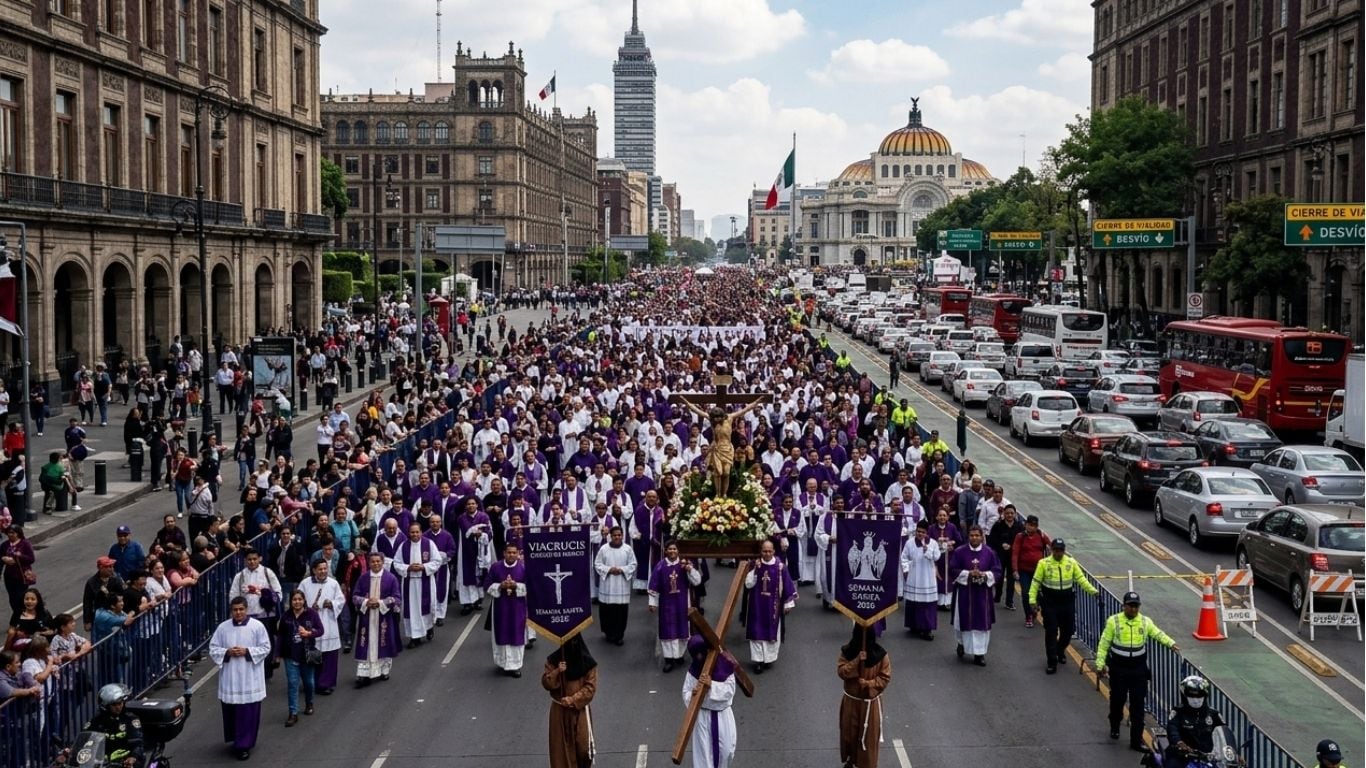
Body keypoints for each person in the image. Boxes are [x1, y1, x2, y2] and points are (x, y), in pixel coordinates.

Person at [1096, 591, 1178, 750]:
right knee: (1117, 701)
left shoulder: (1145, 622)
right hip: (1119, 669)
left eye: (1136, 606)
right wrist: (1100, 664)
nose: (1133, 609)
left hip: (1138, 670)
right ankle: (1115, 724)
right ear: (1124, 606)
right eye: (1130, 606)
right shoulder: (1114, 622)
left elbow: (1157, 633)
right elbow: (1104, 643)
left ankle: (1136, 741)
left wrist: (1171, 643)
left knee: (1138, 706)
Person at [208, 596, 272, 761]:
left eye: (241, 609)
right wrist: (227, 652)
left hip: (250, 676)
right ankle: (236, 740)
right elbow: (213, 648)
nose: (238, 613)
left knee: (248, 712)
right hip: (230, 678)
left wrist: (247, 652)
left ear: (246, 609)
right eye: (235, 610)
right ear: (231, 611)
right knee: (232, 711)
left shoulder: (257, 626)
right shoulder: (223, 628)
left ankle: (245, 745)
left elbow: (266, 647)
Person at [1028, 538, 1098, 674]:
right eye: (1056, 550)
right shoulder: (1043, 563)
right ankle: (1051, 661)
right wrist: (1032, 600)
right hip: (1050, 603)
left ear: (1064, 551)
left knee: (1068, 631)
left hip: (1067, 602)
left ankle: (1060, 650)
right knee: (1051, 632)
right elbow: (1035, 582)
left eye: (1061, 550)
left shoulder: (1071, 562)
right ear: (1051, 550)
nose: (1058, 553)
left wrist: (1094, 592)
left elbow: (1081, 579)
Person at [837, 624, 891, 768]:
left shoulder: (881, 655)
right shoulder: (847, 652)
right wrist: (856, 661)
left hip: (869, 704)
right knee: (849, 734)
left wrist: (868, 684)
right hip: (851, 701)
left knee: (868, 738)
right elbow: (842, 672)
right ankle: (850, 760)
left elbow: (884, 678)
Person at [682, 634, 737, 768]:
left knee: (726, 752)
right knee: (703, 757)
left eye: (702, 653)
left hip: (722, 715)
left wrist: (711, 684)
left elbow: (730, 690)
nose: (699, 658)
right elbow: (686, 692)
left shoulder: (725, 665)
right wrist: (693, 695)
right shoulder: (693, 671)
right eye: (696, 655)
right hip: (702, 717)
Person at [948, 525, 1001, 666]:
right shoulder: (960, 552)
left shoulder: (989, 553)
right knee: (963, 620)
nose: (974, 538)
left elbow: (997, 571)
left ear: (982, 536)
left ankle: (980, 654)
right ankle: (961, 643)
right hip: (965, 592)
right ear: (968, 536)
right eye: (972, 535)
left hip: (983, 594)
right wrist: (968, 574)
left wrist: (985, 575)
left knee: (981, 624)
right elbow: (952, 569)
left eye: (977, 535)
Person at [543, 634, 598, 768]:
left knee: (583, 748)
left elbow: (590, 688)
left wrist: (573, 700)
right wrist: (557, 671)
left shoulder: (588, 663)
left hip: (580, 711)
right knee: (560, 753)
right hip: (559, 712)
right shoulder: (553, 661)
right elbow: (546, 683)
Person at [742, 540, 797, 673]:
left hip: (773, 607)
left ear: (773, 551)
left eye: (769, 551)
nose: (766, 553)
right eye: (764, 551)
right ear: (761, 552)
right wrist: (755, 570)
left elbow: (788, 586)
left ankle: (768, 659)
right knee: (756, 632)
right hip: (757, 605)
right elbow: (748, 584)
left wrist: (788, 604)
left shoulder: (780, 567)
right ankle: (758, 661)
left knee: (770, 634)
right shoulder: (755, 565)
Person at [648, 541, 702, 672]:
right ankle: (669, 659)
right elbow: (653, 585)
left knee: (682, 629)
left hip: (682, 602)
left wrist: (690, 570)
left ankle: (679, 655)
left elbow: (697, 581)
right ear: (665, 551)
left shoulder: (684, 565)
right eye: (669, 549)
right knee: (668, 631)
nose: (672, 551)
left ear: (678, 551)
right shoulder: (660, 566)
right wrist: (652, 602)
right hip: (666, 604)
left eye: (674, 549)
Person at [352, 551, 402, 688]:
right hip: (367, 617)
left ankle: (384, 670)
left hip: (384, 617)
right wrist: (366, 602)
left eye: (378, 561)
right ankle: (364, 674)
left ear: (382, 562)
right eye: (373, 561)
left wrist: (380, 603)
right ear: (369, 563)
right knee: (366, 644)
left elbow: (397, 598)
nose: (376, 564)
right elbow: (355, 596)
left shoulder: (391, 578)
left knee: (383, 642)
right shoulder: (363, 578)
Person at [276, 590, 324, 727]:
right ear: (290, 602)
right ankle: (293, 713)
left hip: (307, 655)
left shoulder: (311, 614)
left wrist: (309, 633)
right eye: (294, 600)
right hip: (290, 655)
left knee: (309, 682)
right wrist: (277, 655)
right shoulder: (286, 616)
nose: (297, 602)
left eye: (299, 599)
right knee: (292, 683)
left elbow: (321, 630)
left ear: (304, 600)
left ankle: (309, 703)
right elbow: (280, 637)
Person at [298, 559, 345, 695]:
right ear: (314, 570)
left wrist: (331, 604)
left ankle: (326, 684)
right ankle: (312, 682)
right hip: (311, 625)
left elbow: (341, 600)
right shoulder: (305, 584)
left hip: (329, 623)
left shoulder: (333, 583)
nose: (323, 571)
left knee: (329, 656)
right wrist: (308, 608)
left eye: (325, 569)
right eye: (320, 569)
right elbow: (297, 600)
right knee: (312, 654)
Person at [392, 522, 441, 647]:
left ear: (421, 532)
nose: (414, 534)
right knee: (412, 610)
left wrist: (423, 567)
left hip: (425, 581)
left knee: (426, 606)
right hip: (410, 583)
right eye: (412, 532)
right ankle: (415, 637)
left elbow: (437, 560)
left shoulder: (429, 544)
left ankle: (429, 628)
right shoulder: (403, 546)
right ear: (409, 533)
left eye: (417, 532)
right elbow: (396, 563)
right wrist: (408, 568)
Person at [485, 542, 529, 677]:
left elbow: (531, 587)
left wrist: (516, 586)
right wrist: (500, 586)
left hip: (517, 607)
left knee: (516, 634)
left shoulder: (523, 569)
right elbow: (487, 585)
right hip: (501, 607)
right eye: (509, 552)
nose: (511, 555)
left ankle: (515, 665)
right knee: (502, 632)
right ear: (504, 553)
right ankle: (502, 662)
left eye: (514, 553)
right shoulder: (495, 567)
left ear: (518, 554)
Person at [1162, 676, 1225, 767]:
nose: (1195, 699)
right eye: (1191, 696)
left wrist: (1232, 753)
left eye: (1199, 695)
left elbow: (1224, 733)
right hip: (1182, 756)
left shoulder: (1214, 714)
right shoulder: (1178, 712)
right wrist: (1179, 743)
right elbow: (1172, 729)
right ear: (1185, 695)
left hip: (1208, 758)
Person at [84, 683, 145, 768]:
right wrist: (71, 751)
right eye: (114, 704)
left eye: (120, 703)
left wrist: (133, 757)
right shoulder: (96, 721)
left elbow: (137, 743)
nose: (118, 707)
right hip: (102, 764)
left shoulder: (130, 719)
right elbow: (84, 739)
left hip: (126, 762)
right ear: (106, 706)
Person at [593, 526, 636, 646]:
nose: (617, 537)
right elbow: (597, 564)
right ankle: (608, 632)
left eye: (619, 535)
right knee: (607, 610)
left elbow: (633, 564)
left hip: (622, 585)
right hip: (608, 585)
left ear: (622, 535)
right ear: (610, 536)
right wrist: (609, 569)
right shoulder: (604, 549)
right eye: (614, 535)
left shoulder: (628, 549)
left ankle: (619, 635)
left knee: (620, 612)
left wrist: (622, 570)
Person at [899, 519, 941, 640]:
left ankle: (927, 629)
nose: (920, 534)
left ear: (927, 533)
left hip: (927, 577)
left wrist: (927, 551)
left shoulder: (932, 543)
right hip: (914, 575)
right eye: (918, 531)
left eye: (923, 532)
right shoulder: (910, 543)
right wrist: (906, 570)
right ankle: (914, 625)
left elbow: (937, 557)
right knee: (913, 602)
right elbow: (904, 557)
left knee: (927, 603)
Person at [1011, 515, 1051, 626]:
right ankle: (1028, 616)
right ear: (1026, 525)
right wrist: (1015, 570)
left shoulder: (1041, 535)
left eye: (1034, 526)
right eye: (1030, 525)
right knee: (1026, 593)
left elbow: (1051, 545)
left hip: (1039, 571)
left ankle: (1036, 610)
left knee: (1040, 594)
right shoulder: (1020, 537)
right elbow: (1015, 553)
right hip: (1024, 571)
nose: (1031, 528)